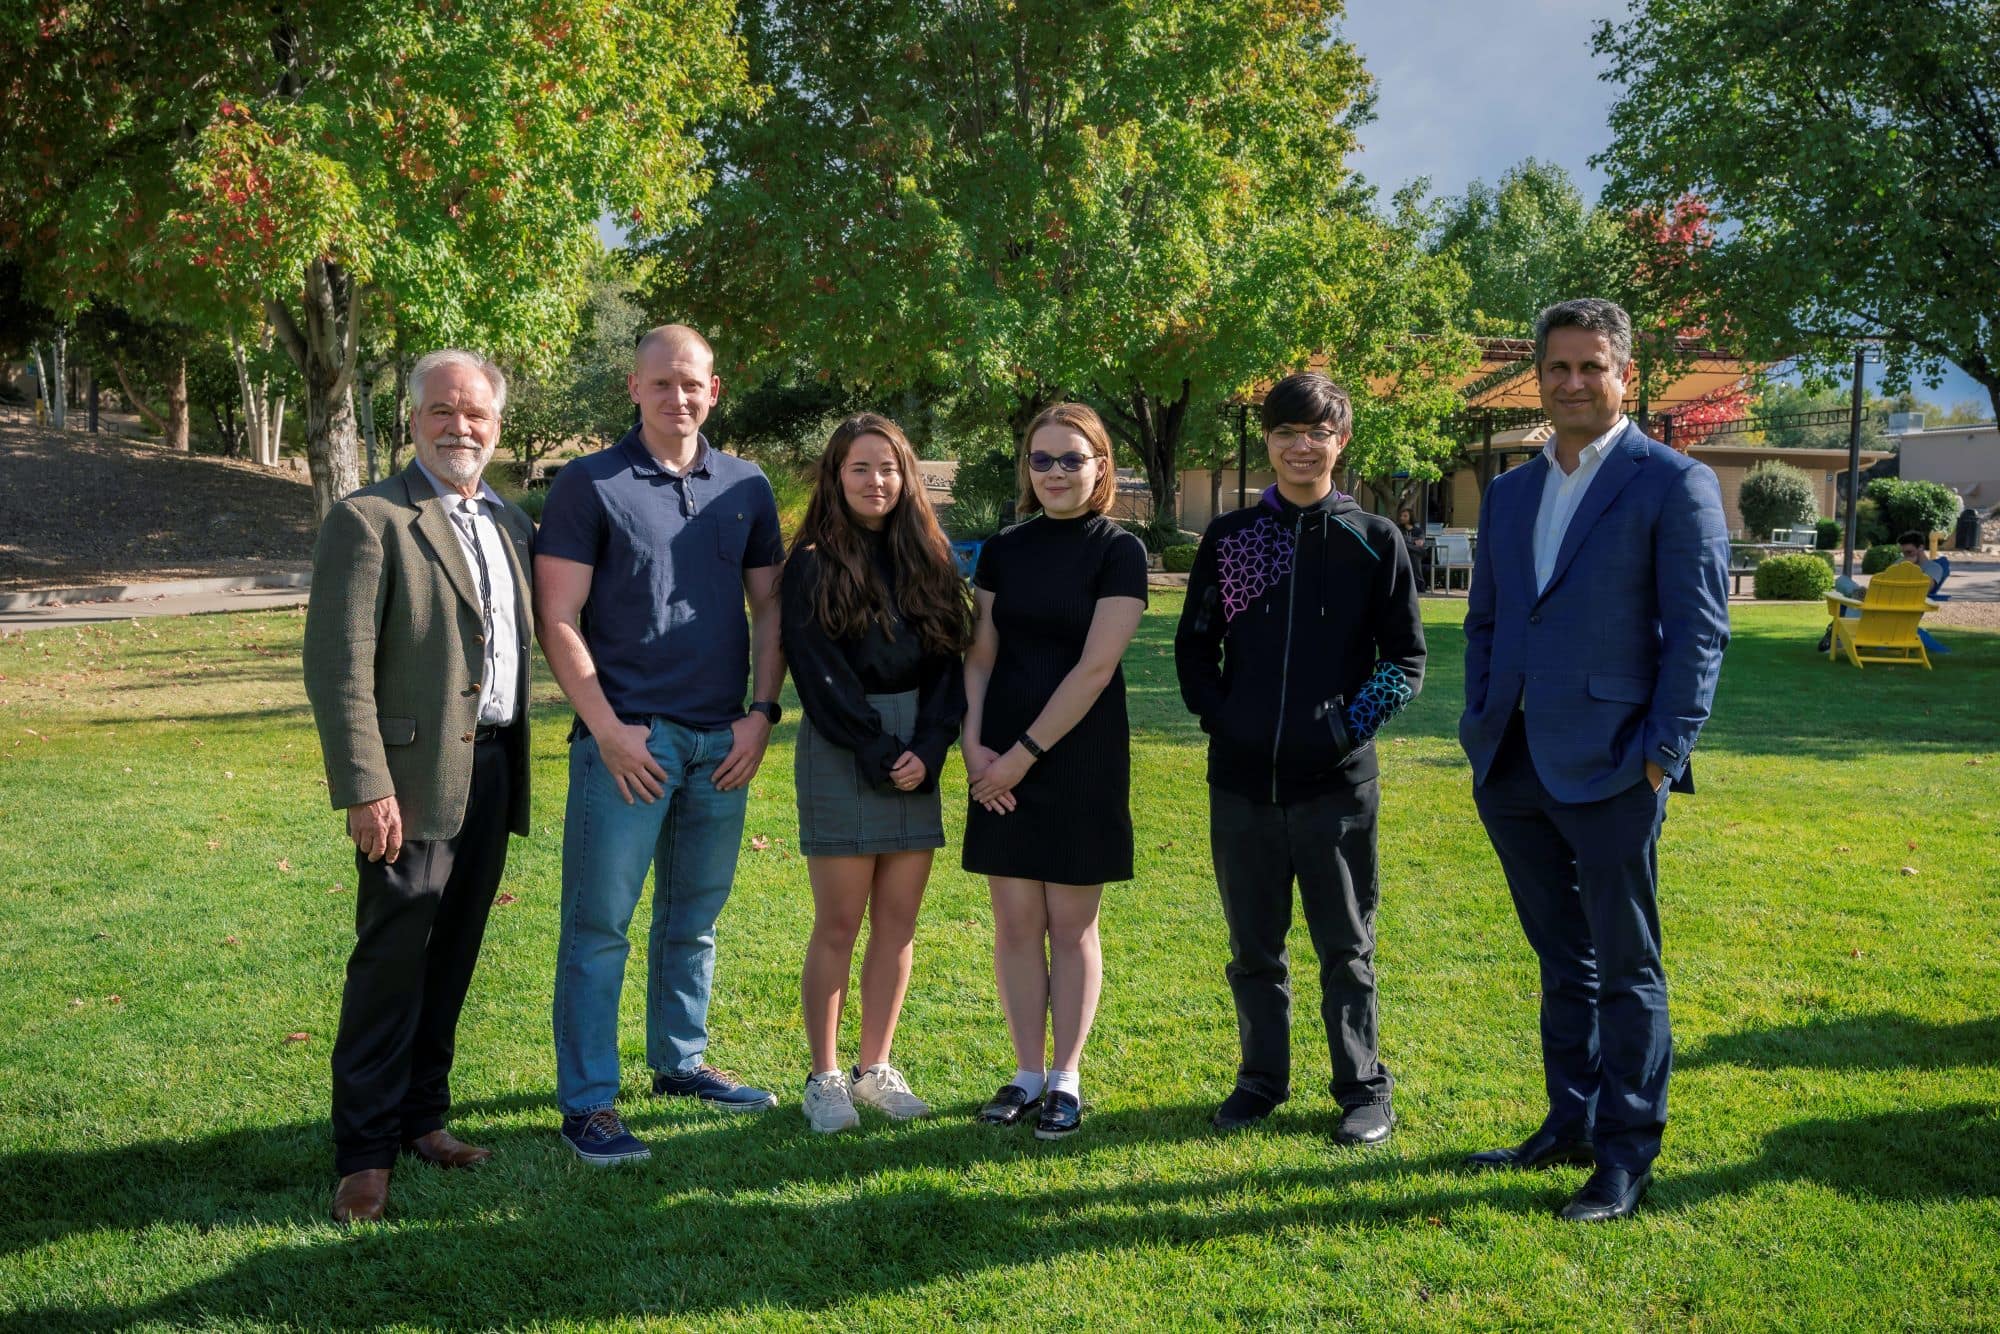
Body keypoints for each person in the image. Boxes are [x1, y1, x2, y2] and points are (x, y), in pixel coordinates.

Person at [1459, 298, 1729, 1222]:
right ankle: (1567, 1120)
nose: (1574, 382)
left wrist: (1662, 755)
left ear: (1625, 374)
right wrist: (1478, 724)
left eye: (1592, 366)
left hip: (1616, 764)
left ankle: (1624, 1153)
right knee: (1558, 957)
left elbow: (1700, 635)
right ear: (1539, 376)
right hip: (1513, 763)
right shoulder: (1509, 492)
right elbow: (1489, 621)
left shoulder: (1671, 481)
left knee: (1627, 965)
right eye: (1558, 367)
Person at [534, 324, 786, 1166]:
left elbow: (771, 612)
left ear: (715, 391)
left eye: (694, 385)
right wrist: (607, 731)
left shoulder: (746, 486)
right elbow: (557, 618)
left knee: (694, 921)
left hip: (724, 739)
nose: (679, 398)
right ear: (634, 390)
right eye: (662, 383)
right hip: (630, 743)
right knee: (601, 925)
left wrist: (761, 712)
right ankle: (588, 1106)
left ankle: (678, 1064)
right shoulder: (587, 483)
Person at [303, 350, 535, 1224]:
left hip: (495, 766)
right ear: (412, 421)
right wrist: (366, 786)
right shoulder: (370, 520)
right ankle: (364, 1155)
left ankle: (422, 1119)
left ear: (497, 426)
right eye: (441, 410)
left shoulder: (512, 523)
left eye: (475, 413)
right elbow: (337, 667)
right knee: (391, 960)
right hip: (406, 778)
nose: (459, 426)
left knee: (455, 953)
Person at [1174, 373, 1426, 1147]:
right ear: (1269, 444)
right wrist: (1223, 717)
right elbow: (1195, 644)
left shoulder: (1373, 539)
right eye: (1284, 432)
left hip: (1337, 786)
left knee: (1345, 947)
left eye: (1316, 431)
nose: (1299, 445)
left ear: (1340, 441)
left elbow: (1405, 661)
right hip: (1242, 782)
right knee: (1254, 947)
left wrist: (1344, 731)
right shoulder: (1233, 538)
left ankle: (1362, 1088)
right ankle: (1261, 1081)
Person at [961, 402, 1148, 1140]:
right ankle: (1026, 1072)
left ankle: (1066, 1075)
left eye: (1072, 459)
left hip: (1078, 756)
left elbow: (1096, 667)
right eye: (1042, 460)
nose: (1056, 473)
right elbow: (980, 655)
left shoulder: (1118, 550)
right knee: (1014, 923)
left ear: (1101, 464)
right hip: (996, 757)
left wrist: (1020, 758)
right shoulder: (1005, 549)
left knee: (1070, 927)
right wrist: (976, 748)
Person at [781, 413, 971, 1132]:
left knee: (898, 924)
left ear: (907, 477)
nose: (876, 481)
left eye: (888, 468)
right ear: (835, 476)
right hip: (844, 746)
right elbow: (817, 671)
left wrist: (929, 745)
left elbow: (950, 664)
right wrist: (877, 749)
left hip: (918, 749)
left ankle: (875, 1068)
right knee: (838, 923)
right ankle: (824, 1077)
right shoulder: (811, 564)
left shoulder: (929, 555)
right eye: (860, 468)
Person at [1396, 506, 1432, 585]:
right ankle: (1419, 585)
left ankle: (1417, 584)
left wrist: (1407, 541)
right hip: (1402, 553)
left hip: (1417, 552)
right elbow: (1400, 539)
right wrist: (1413, 541)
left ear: (1411, 517)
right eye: (1401, 516)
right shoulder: (1398, 529)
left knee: (1412, 552)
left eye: (1405, 516)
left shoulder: (1418, 530)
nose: (1402, 518)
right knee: (1413, 554)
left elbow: (1421, 542)